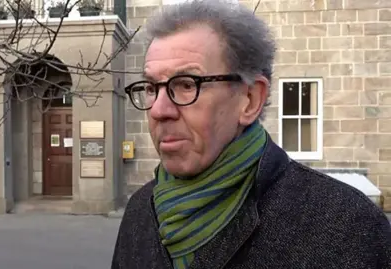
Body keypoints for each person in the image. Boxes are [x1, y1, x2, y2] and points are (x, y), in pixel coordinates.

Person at [111, 1, 391, 268]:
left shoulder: (345, 225)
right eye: (150, 88)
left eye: (186, 84)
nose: (159, 110)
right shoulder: (139, 213)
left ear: (250, 99)